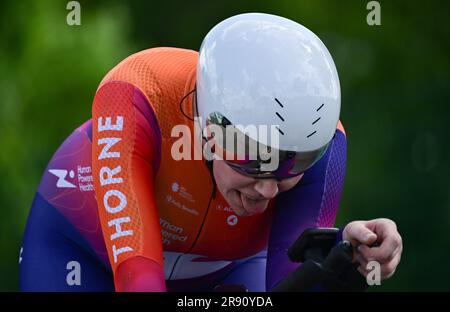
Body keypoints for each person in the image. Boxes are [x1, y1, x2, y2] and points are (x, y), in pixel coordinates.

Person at [20, 13, 402, 292]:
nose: (268, 190)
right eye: (254, 158)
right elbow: (138, 279)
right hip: (83, 252)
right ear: (207, 129)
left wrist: (344, 256)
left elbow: (291, 285)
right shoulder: (137, 93)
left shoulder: (326, 142)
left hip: (223, 271)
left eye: (297, 162)